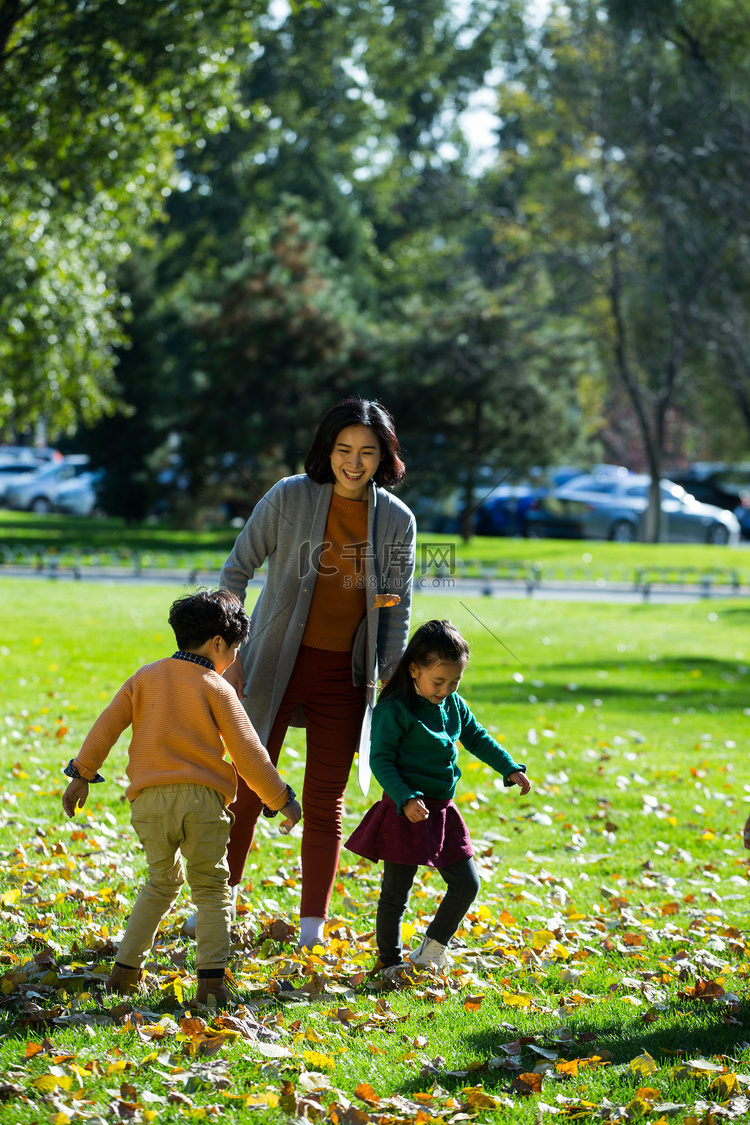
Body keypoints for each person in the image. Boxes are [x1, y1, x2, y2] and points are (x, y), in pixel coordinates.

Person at [213, 397, 416, 952]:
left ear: (383, 457)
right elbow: (237, 569)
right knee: (249, 789)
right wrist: (226, 654)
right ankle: (216, 907)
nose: (354, 462)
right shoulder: (289, 497)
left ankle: (311, 928)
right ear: (328, 450)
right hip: (272, 663)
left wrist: (394, 686)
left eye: (367, 453)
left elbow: (396, 612)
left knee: (325, 800)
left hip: (345, 679)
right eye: (344, 449)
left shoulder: (398, 522)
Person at [61, 589, 301, 1005]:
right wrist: (280, 799)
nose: (233, 659)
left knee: (160, 882)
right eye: (235, 650)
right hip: (202, 803)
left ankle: (124, 972)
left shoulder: (145, 677)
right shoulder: (216, 687)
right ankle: (210, 983)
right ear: (218, 644)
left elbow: (107, 726)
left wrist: (82, 774)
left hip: (148, 802)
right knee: (210, 888)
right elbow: (248, 753)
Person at [345, 619, 532, 983]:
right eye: (438, 681)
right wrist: (406, 797)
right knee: (396, 893)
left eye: (454, 682)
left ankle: (431, 950)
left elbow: (476, 736)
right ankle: (389, 962)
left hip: (442, 812)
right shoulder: (394, 709)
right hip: (406, 811)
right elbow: (380, 759)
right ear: (414, 669)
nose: (445, 690)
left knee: (467, 884)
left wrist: (508, 767)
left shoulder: (453, 704)